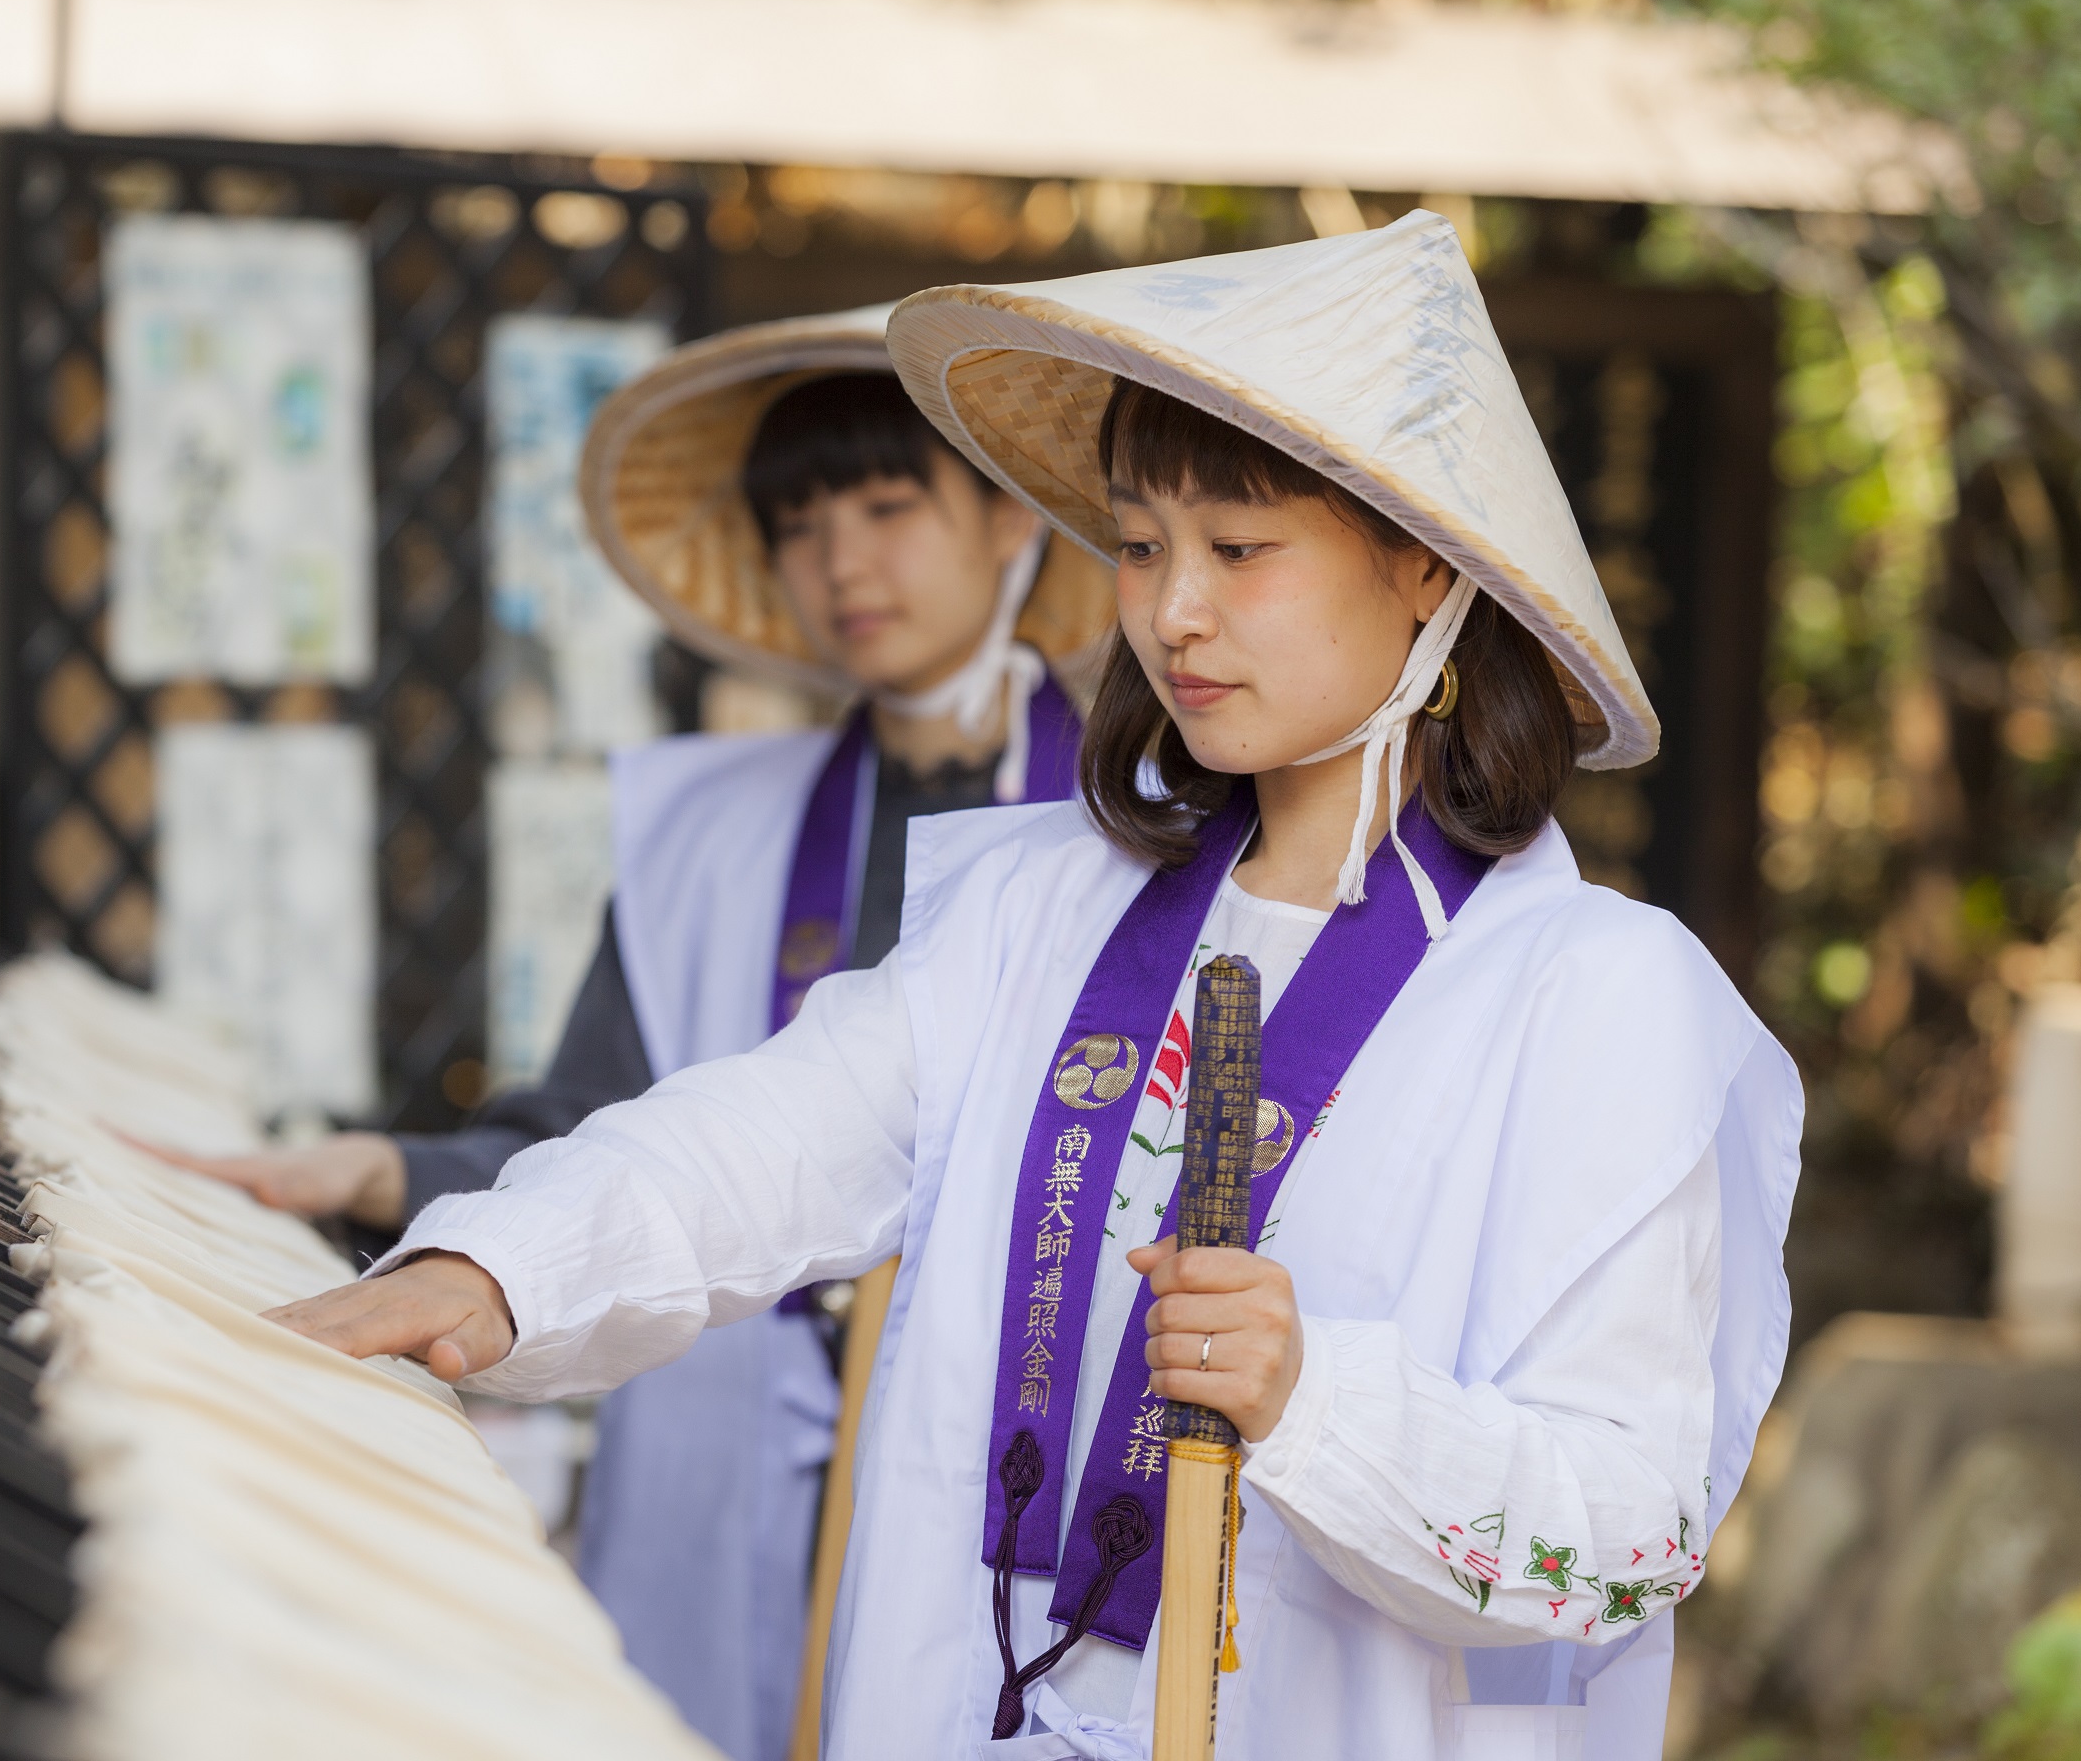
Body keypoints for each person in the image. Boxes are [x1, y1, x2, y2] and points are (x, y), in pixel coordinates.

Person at [261, 215, 1803, 1761]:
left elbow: (1634, 1530)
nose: (1172, 611)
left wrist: (1319, 1402)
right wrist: (496, 1273)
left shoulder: (1597, 1000)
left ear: (1422, 564)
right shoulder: (1041, 907)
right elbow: (770, 1139)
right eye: (1140, 546)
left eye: (1239, 549)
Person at [178, 305, 1116, 1761]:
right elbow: (588, 1127)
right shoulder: (704, 833)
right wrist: (377, 1175)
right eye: (800, 523)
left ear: (1010, 517)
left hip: (994, 1471)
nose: (843, 564)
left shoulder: (1135, 833)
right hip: (713, 1476)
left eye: (887, 506)